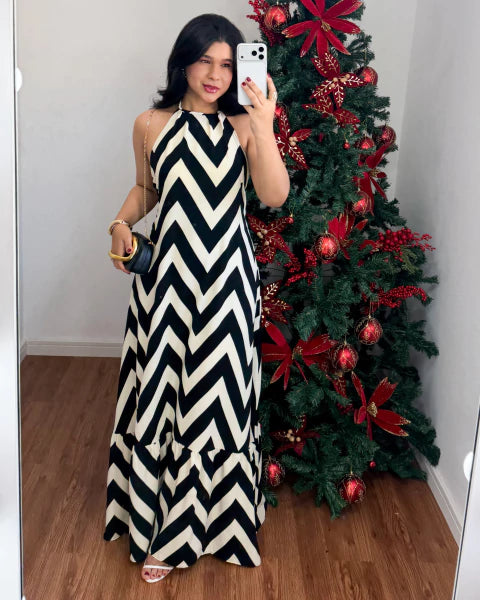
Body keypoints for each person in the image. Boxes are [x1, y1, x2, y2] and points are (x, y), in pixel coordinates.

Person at [103, 13, 290, 584]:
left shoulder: (244, 124)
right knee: (162, 397)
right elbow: (147, 188)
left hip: (228, 283)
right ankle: (158, 523)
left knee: (216, 403)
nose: (215, 74)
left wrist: (265, 125)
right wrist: (119, 223)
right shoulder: (149, 124)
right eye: (205, 59)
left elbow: (274, 195)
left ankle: (207, 526)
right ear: (183, 60)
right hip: (166, 284)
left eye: (227, 64)